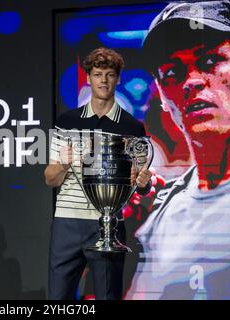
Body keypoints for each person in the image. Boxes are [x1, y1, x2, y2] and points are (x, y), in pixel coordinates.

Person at [127, 1, 230, 299]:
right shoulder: (158, 210)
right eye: (172, 72)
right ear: (163, 99)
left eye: (209, 61)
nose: (191, 81)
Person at [44, 47, 152, 300]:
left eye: (110, 74)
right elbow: (50, 179)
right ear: (89, 78)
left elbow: (141, 182)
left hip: (109, 225)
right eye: (97, 74)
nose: (104, 80)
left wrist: (144, 182)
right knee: (58, 299)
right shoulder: (66, 122)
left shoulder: (132, 126)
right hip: (67, 223)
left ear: (118, 79)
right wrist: (62, 164)